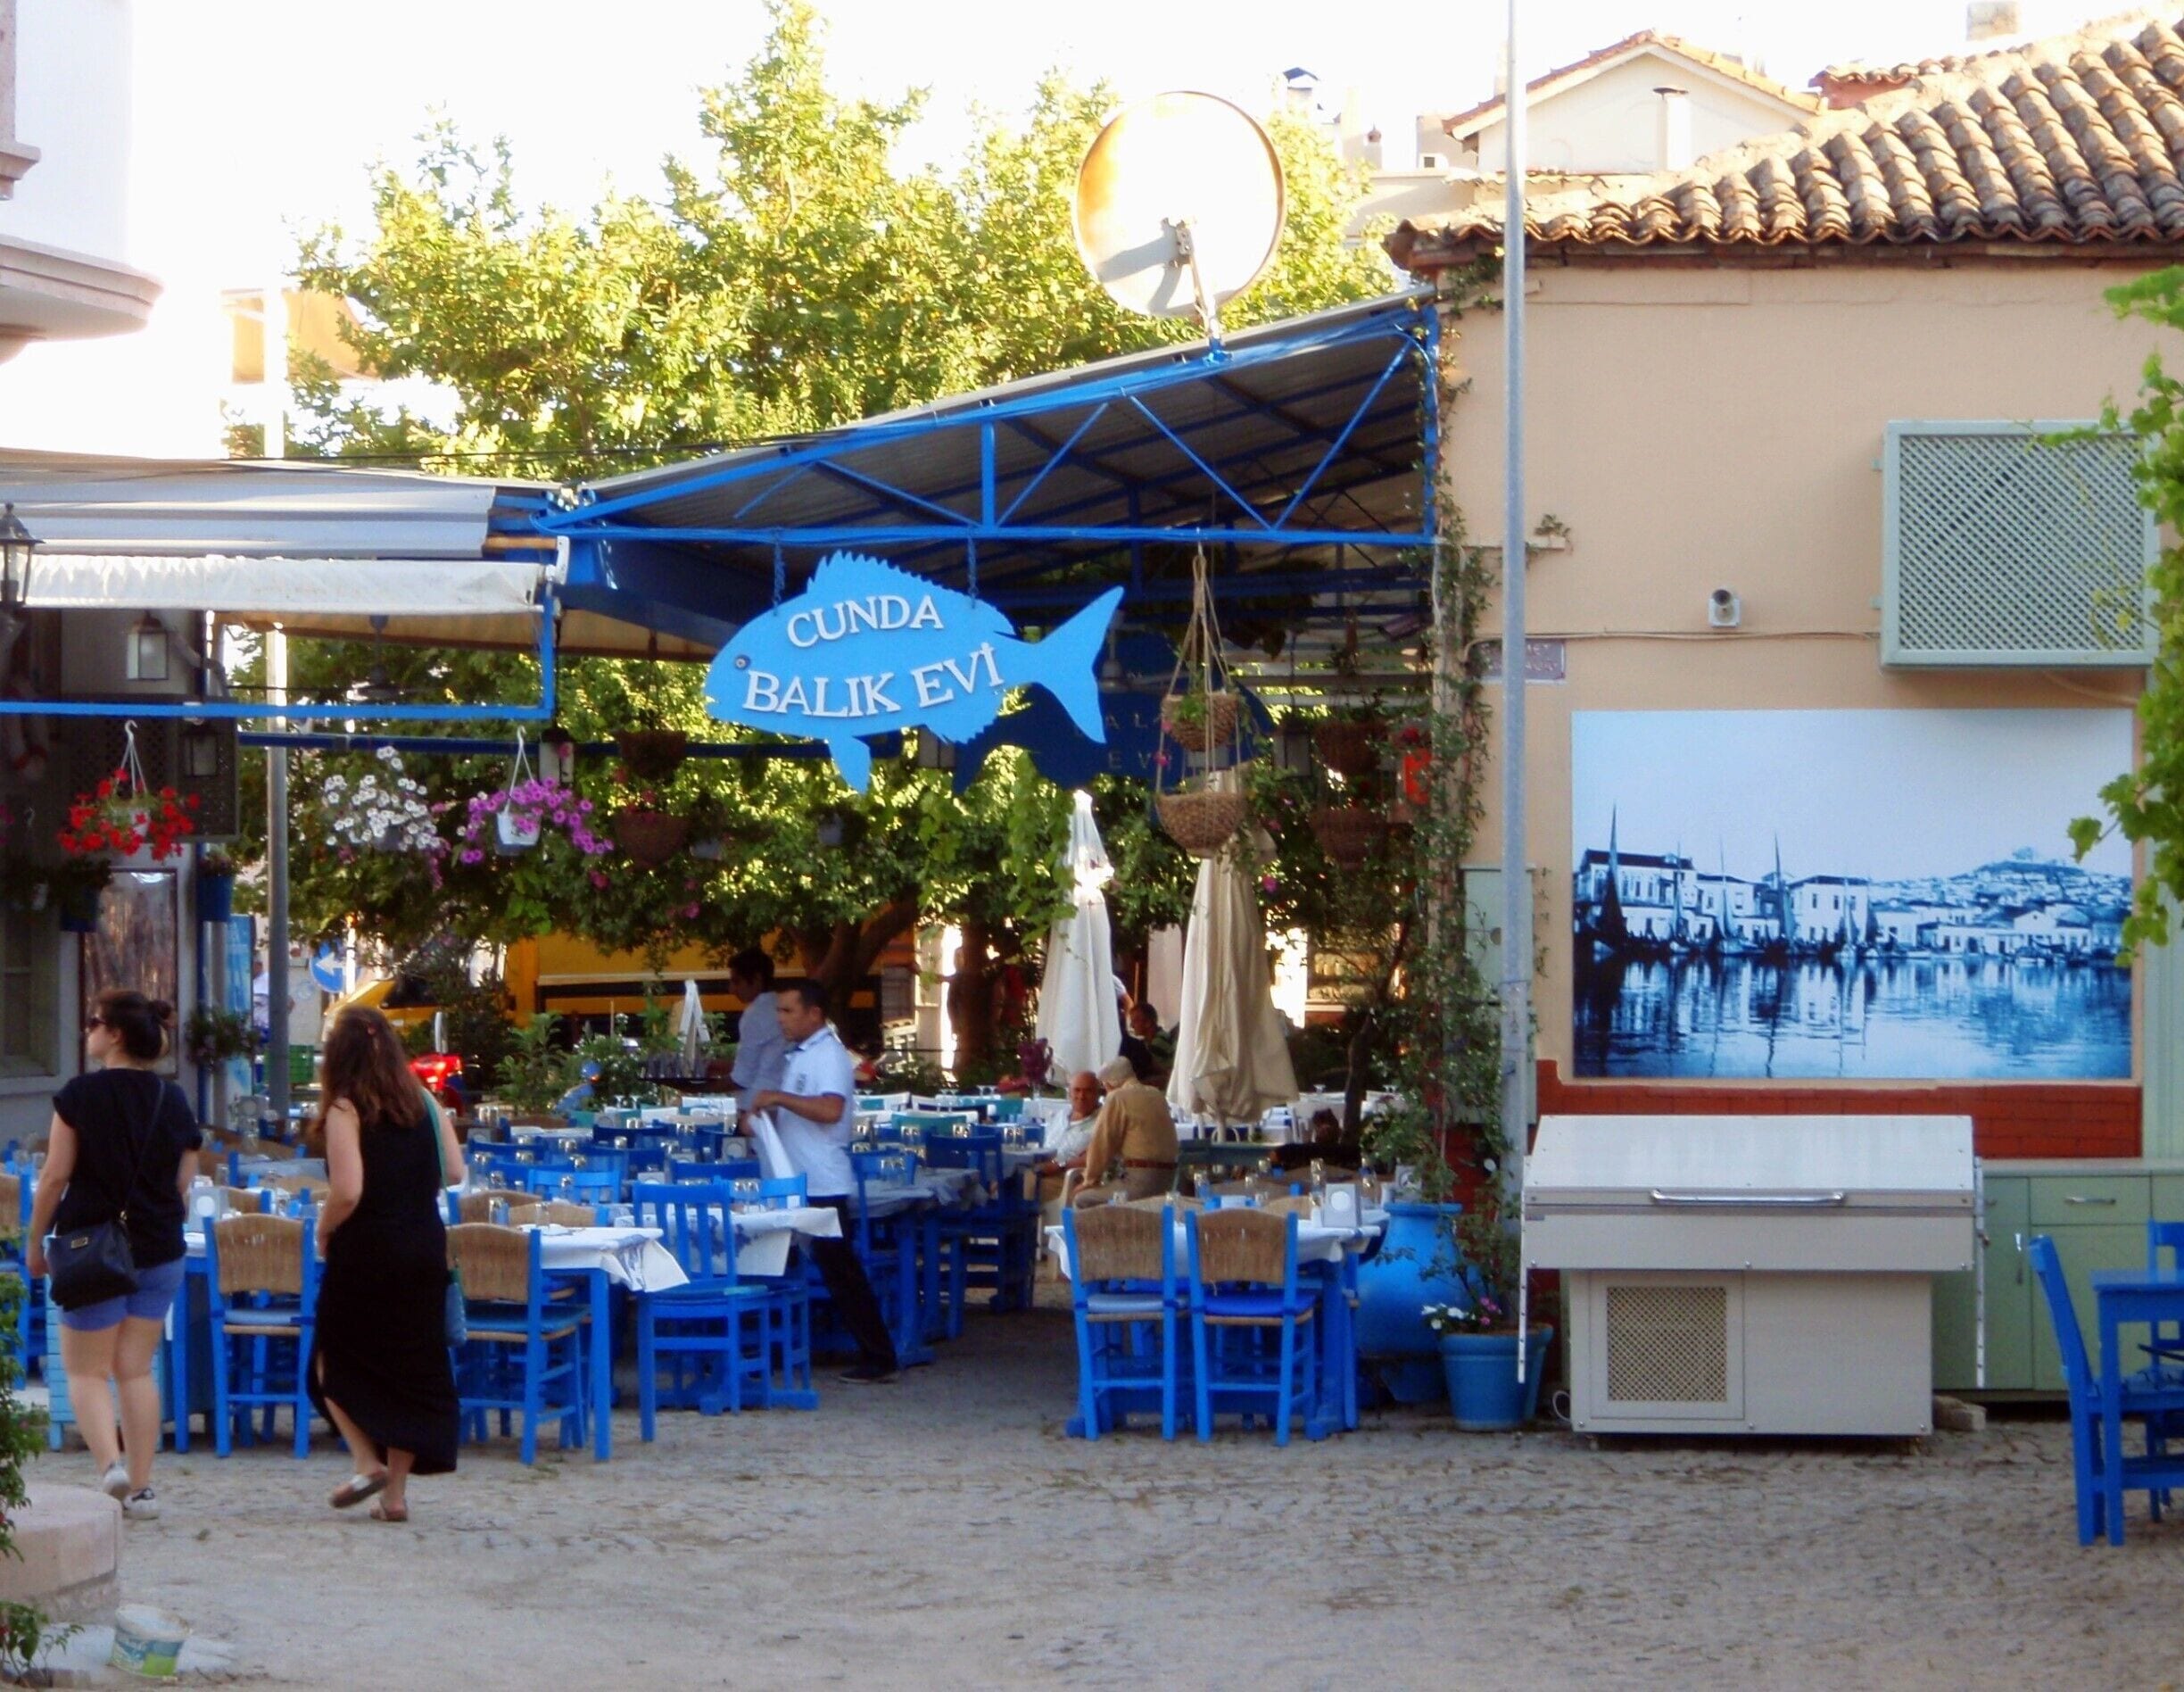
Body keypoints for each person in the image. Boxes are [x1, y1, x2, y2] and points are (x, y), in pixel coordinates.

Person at [28, 991, 201, 1522]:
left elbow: (55, 1176)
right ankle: (144, 1489)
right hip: (158, 1248)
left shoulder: (79, 1095)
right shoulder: (173, 1100)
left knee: (85, 1371)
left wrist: (35, 1242)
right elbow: (184, 1184)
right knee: (134, 1369)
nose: (88, 1032)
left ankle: (110, 1466)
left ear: (116, 1034)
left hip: (91, 1248)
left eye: (94, 1023)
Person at [309, 1006, 461, 1524]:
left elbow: (348, 1189)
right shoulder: (425, 1102)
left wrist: (324, 1226)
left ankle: (363, 1459)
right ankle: (394, 1497)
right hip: (423, 1245)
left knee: (333, 1357)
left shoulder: (345, 1110)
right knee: (409, 1366)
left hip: (367, 1249)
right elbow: (456, 1170)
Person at [749, 983, 900, 1384]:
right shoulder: (799, 1056)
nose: (781, 1018)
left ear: (813, 1013)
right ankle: (777, 1346)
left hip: (823, 1181)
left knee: (842, 1273)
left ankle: (879, 1355)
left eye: (787, 1011)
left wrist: (780, 1100)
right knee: (798, 1265)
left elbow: (832, 1109)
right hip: (797, 1180)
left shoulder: (829, 1055)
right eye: (779, 1011)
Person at [1071, 1056, 1179, 1207]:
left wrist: (1089, 1180)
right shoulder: (1156, 1095)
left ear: (1109, 1084)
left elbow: (1102, 1143)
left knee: (1082, 1199)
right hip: (1168, 1180)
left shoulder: (1118, 1097)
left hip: (1139, 1181)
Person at [727, 948, 784, 1119]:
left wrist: (696, 1086)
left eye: (737, 982)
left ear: (757, 979)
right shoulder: (781, 1005)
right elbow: (765, 1061)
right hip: (781, 1106)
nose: (731, 989)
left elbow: (742, 1077)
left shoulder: (755, 1013)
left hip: (756, 1109)